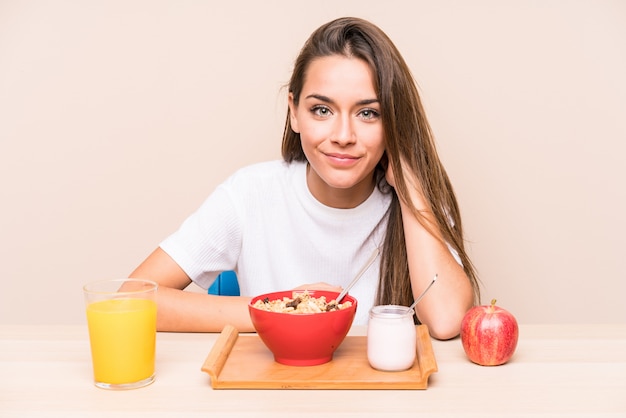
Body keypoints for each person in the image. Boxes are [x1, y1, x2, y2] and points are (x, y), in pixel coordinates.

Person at [130, 16, 480, 340]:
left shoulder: (414, 200)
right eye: (322, 110)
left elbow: (448, 320)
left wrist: (411, 191)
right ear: (294, 112)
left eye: (368, 113)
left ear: (392, 122)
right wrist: (284, 308)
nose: (343, 134)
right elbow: (132, 299)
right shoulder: (249, 194)